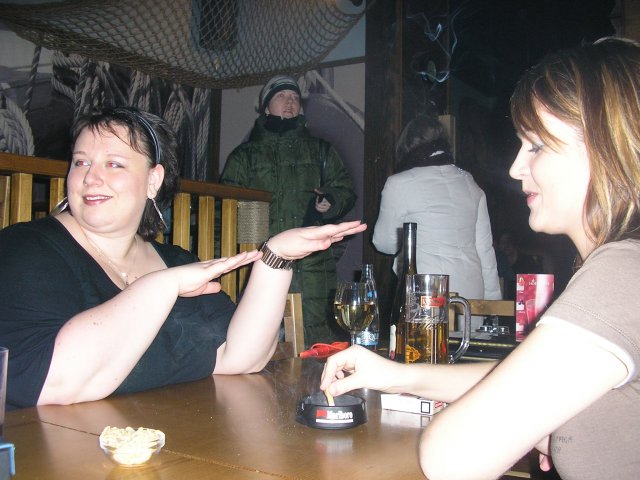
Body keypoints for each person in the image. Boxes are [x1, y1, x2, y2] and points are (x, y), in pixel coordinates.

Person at [321, 37, 640, 480]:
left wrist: (535, 424)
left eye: (536, 146)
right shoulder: (471, 185)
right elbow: (518, 373)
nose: (515, 168)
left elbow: (450, 457)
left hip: (424, 304)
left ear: (608, 146)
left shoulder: (623, 274)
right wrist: (396, 375)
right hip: (468, 301)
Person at [0, 106, 366, 410]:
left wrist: (276, 256)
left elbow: (239, 356)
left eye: (114, 164)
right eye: (81, 162)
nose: (90, 178)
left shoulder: (175, 261)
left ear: (153, 180)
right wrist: (163, 286)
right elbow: (49, 382)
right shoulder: (25, 250)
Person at [220, 75, 357, 346]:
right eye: (281, 96)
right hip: (262, 259)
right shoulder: (244, 157)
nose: (290, 102)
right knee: (260, 341)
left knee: (316, 339)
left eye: (294, 97)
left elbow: (345, 190)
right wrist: (225, 262)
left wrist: (330, 201)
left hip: (313, 263)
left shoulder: (321, 151)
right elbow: (225, 211)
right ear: (266, 106)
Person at [372, 114, 502, 330]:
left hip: (427, 292)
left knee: (423, 350)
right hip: (469, 293)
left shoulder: (398, 183)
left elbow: (384, 243)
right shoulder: (469, 182)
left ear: (407, 145)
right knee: (465, 351)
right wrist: (492, 304)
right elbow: (485, 250)